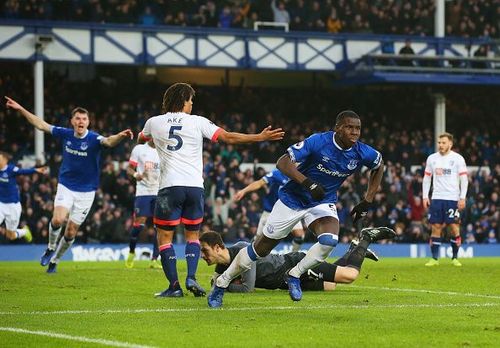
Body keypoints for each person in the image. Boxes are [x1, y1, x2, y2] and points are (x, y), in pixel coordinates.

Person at [208, 110, 395, 307]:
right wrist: (308, 183)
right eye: (349, 127)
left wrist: (368, 200)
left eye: (358, 128)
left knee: (329, 240)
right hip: (293, 199)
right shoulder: (318, 142)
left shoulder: (362, 152)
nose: (355, 132)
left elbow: (379, 166)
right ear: (338, 128)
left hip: (322, 201)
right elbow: (283, 162)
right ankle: (221, 283)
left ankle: (294, 274)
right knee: (259, 250)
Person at [137, 82, 284, 298]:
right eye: (190, 101)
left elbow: (142, 139)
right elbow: (228, 137)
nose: (192, 105)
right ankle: (191, 277)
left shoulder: (153, 122)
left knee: (165, 238)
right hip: (195, 187)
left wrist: (154, 141)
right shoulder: (198, 122)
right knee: (192, 236)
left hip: (170, 187)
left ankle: (174, 287)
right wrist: (259, 137)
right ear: (184, 100)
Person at [5, 96, 133, 273]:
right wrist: (20, 108)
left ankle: (55, 261)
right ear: (72, 121)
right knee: (57, 219)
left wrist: (120, 136)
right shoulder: (65, 133)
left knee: (71, 231)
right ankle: (50, 248)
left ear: (88, 122)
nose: (81, 121)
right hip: (66, 185)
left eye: (84, 119)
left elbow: (109, 141)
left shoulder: (94, 139)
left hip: (87, 192)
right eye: (78, 118)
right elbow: (41, 124)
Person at [200, 231, 381, 293]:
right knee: (331, 286)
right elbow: (214, 284)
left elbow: (248, 288)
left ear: (218, 247)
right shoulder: (222, 263)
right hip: (286, 283)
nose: (202, 255)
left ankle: (365, 239)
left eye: (205, 250)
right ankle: (353, 249)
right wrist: (220, 283)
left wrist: (225, 284)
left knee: (350, 276)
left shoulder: (242, 252)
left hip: (294, 266)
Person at [423, 132, 468, 267]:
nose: (441, 145)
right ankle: (435, 259)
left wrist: (462, 198)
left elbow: (464, 179)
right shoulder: (432, 158)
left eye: (443, 143)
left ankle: (454, 258)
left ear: (450, 144)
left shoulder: (458, 159)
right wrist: (425, 196)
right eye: (439, 143)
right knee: (435, 227)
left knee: (454, 227)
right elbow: (427, 178)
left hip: (452, 198)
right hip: (437, 198)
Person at [234, 168, 306, 251]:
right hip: (271, 211)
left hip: (290, 209)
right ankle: (246, 255)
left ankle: (292, 259)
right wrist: (244, 191)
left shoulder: (301, 175)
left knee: (300, 236)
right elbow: (259, 183)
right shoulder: (277, 173)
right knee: (258, 240)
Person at [125, 140, 161, 269]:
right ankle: (131, 252)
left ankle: (154, 259)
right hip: (143, 192)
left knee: (160, 227)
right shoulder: (139, 149)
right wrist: (136, 175)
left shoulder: (163, 149)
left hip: (159, 191)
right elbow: (129, 168)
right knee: (139, 225)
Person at [0, 151, 48, 242]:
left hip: (13, 206)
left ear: (5, 160)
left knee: (11, 235)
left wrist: (36, 170)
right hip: (1, 204)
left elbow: (23, 171)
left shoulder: (11, 169)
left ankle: (24, 231)